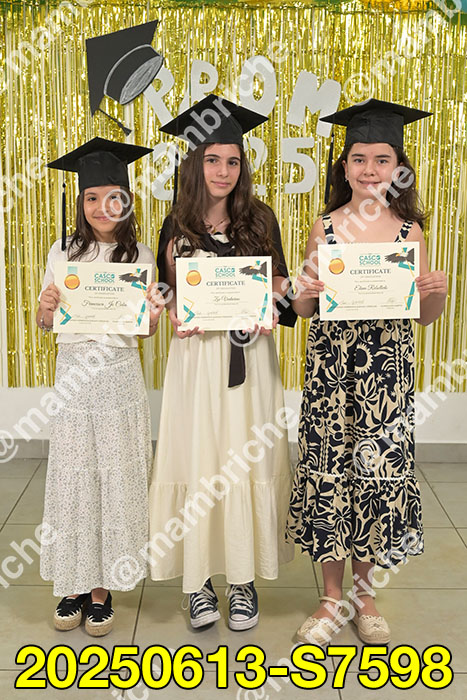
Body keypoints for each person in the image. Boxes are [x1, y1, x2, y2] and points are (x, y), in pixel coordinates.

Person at [286, 99, 448, 645]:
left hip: (386, 379)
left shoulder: (410, 233)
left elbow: (424, 316)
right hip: (332, 374)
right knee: (331, 474)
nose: (370, 170)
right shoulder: (326, 227)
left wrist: (435, 293)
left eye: (382, 159)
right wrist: (303, 289)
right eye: (359, 159)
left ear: (398, 168)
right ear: (345, 167)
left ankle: (364, 596)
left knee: (375, 478)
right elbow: (304, 308)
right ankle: (331, 598)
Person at [149, 94, 297, 631]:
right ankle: (198, 583)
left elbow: (282, 295)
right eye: (212, 159)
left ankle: (242, 580)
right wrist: (169, 308)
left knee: (244, 458)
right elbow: (167, 296)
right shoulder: (175, 224)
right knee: (199, 460)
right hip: (195, 362)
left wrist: (278, 295)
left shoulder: (260, 219)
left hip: (250, 361)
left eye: (232, 161)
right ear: (194, 163)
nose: (223, 171)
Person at [38, 138, 164, 636]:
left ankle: (101, 588)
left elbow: (144, 332)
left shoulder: (141, 255)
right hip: (74, 377)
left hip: (118, 375)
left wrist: (152, 315)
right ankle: (72, 582)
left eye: (113, 197)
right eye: (92, 197)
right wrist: (46, 307)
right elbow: (45, 321)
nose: (102, 207)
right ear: (80, 202)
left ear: (127, 201)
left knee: (114, 479)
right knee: (74, 480)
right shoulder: (63, 251)